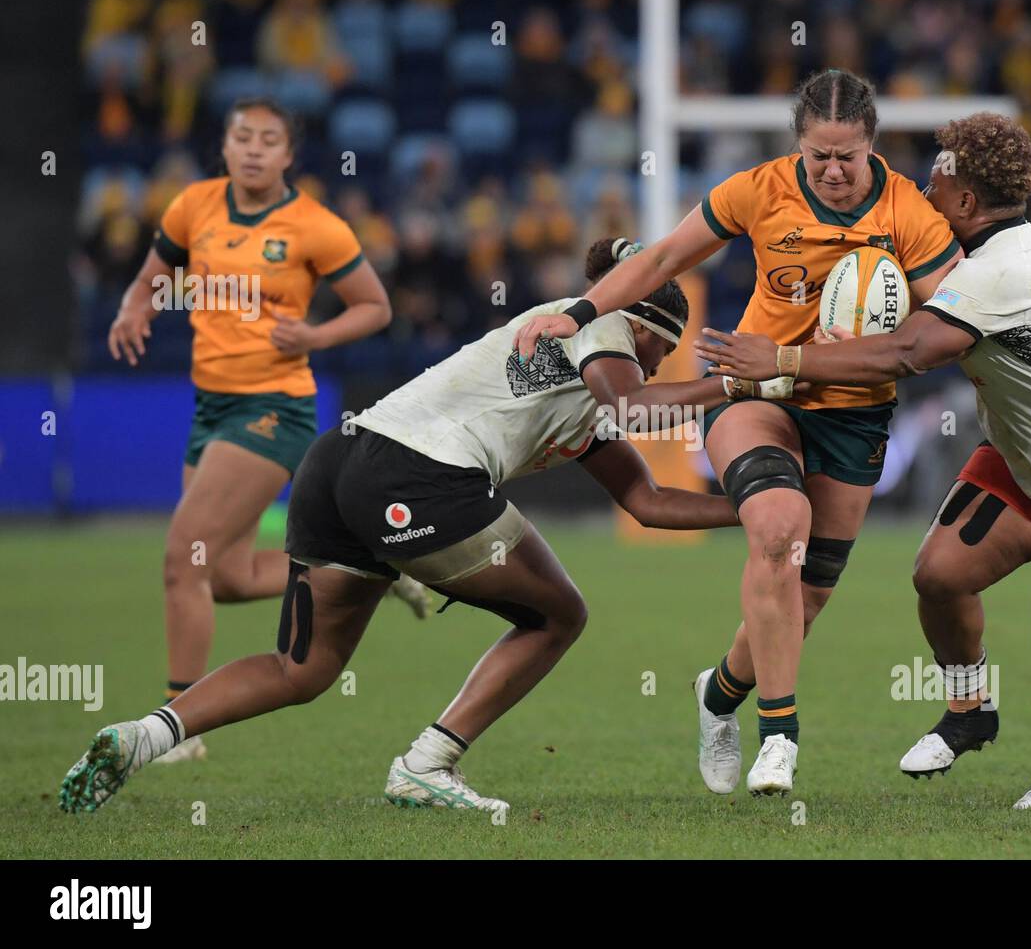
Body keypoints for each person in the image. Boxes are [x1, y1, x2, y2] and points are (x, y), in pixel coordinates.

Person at [60, 237, 801, 815]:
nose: (658, 361)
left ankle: (142, 737)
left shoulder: (582, 379)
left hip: (343, 461)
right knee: (558, 614)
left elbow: (648, 502)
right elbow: (636, 407)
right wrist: (745, 381)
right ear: (644, 327)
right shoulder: (604, 324)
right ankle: (427, 763)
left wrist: (757, 509)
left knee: (303, 669)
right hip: (417, 474)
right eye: (662, 348)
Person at [696, 113, 1031, 810]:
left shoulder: (1001, 269)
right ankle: (969, 710)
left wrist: (783, 359)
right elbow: (914, 333)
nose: (922, 186)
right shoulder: (1006, 253)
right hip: (1027, 453)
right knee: (940, 575)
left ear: (964, 200)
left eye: (938, 175)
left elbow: (908, 353)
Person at [515, 69, 961, 797]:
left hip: (856, 411)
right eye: (819, 155)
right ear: (798, 146)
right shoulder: (757, 190)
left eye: (848, 154)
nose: (834, 170)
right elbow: (660, 258)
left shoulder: (908, 210)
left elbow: (948, 322)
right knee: (780, 527)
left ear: (873, 145)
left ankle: (718, 696)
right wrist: (576, 313)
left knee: (807, 599)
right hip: (755, 390)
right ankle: (778, 737)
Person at [106, 97, 421, 763]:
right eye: (240, 135)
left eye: (267, 139)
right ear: (224, 146)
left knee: (179, 558)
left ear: (287, 155)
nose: (252, 148)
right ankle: (374, 565)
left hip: (272, 407)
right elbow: (150, 276)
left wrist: (314, 333)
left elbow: (375, 307)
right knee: (218, 574)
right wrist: (134, 308)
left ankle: (176, 725)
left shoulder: (314, 226)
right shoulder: (193, 206)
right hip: (211, 406)